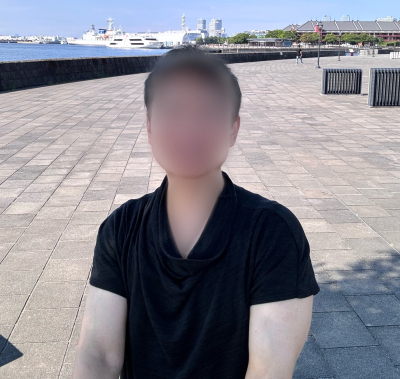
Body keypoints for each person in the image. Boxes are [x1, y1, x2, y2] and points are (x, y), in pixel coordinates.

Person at [72, 44, 320, 379]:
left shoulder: (272, 233)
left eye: (207, 112)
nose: (189, 130)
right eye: (173, 111)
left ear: (233, 129)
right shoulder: (121, 228)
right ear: (150, 127)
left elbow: (268, 370)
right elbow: (98, 355)